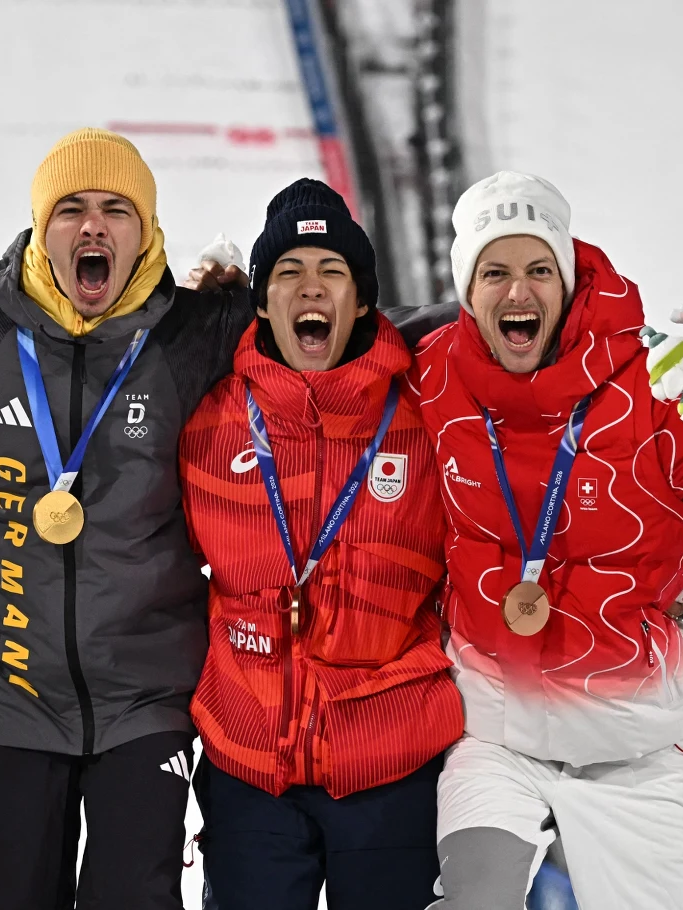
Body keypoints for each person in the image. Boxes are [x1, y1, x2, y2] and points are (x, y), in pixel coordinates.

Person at [414, 171, 683, 909]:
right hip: (496, 739)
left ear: (568, 279)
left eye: (539, 270)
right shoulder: (433, 374)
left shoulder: (664, 385)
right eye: (494, 273)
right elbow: (323, 374)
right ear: (467, 289)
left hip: (637, 751)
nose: (518, 291)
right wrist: (224, 309)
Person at [0, 127, 255, 910]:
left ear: (146, 231)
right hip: (12, 690)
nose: (93, 225)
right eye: (71, 209)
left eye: (116, 209)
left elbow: (340, 330)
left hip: (146, 694)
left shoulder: (195, 335)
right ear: (42, 228)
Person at [177, 179, 462, 909]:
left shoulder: (427, 413)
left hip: (393, 761)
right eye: (289, 272)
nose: (311, 287)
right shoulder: (208, 416)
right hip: (248, 763)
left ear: (361, 301)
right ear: (261, 300)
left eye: (332, 271)